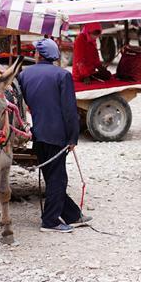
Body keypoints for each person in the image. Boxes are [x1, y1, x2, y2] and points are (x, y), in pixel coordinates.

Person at [19, 38, 91, 233]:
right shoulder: (62, 76)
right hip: (57, 135)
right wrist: (73, 137)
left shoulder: (23, 75)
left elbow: (21, 105)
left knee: (52, 177)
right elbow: (69, 111)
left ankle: (72, 214)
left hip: (37, 134)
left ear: (37, 55)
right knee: (58, 179)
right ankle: (50, 222)